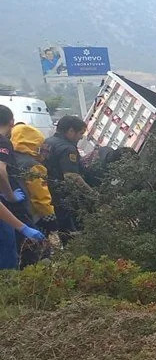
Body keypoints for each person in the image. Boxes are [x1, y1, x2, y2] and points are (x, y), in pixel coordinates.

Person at [0, 106, 46, 269]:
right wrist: (10, 195)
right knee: (9, 261)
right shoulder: (3, 141)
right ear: (11, 122)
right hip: (10, 210)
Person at [10, 124, 54, 267]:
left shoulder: (10, 158)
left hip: (11, 214)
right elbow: (40, 197)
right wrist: (51, 219)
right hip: (32, 217)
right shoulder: (33, 165)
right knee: (37, 255)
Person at [43, 115, 90, 243]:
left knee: (50, 226)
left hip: (46, 191)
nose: (81, 137)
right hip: (61, 195)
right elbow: (71, 176)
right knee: (68, 230)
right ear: (70, 131)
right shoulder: (68, 148)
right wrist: (92, 194)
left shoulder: (48, 142)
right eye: (80, 133)